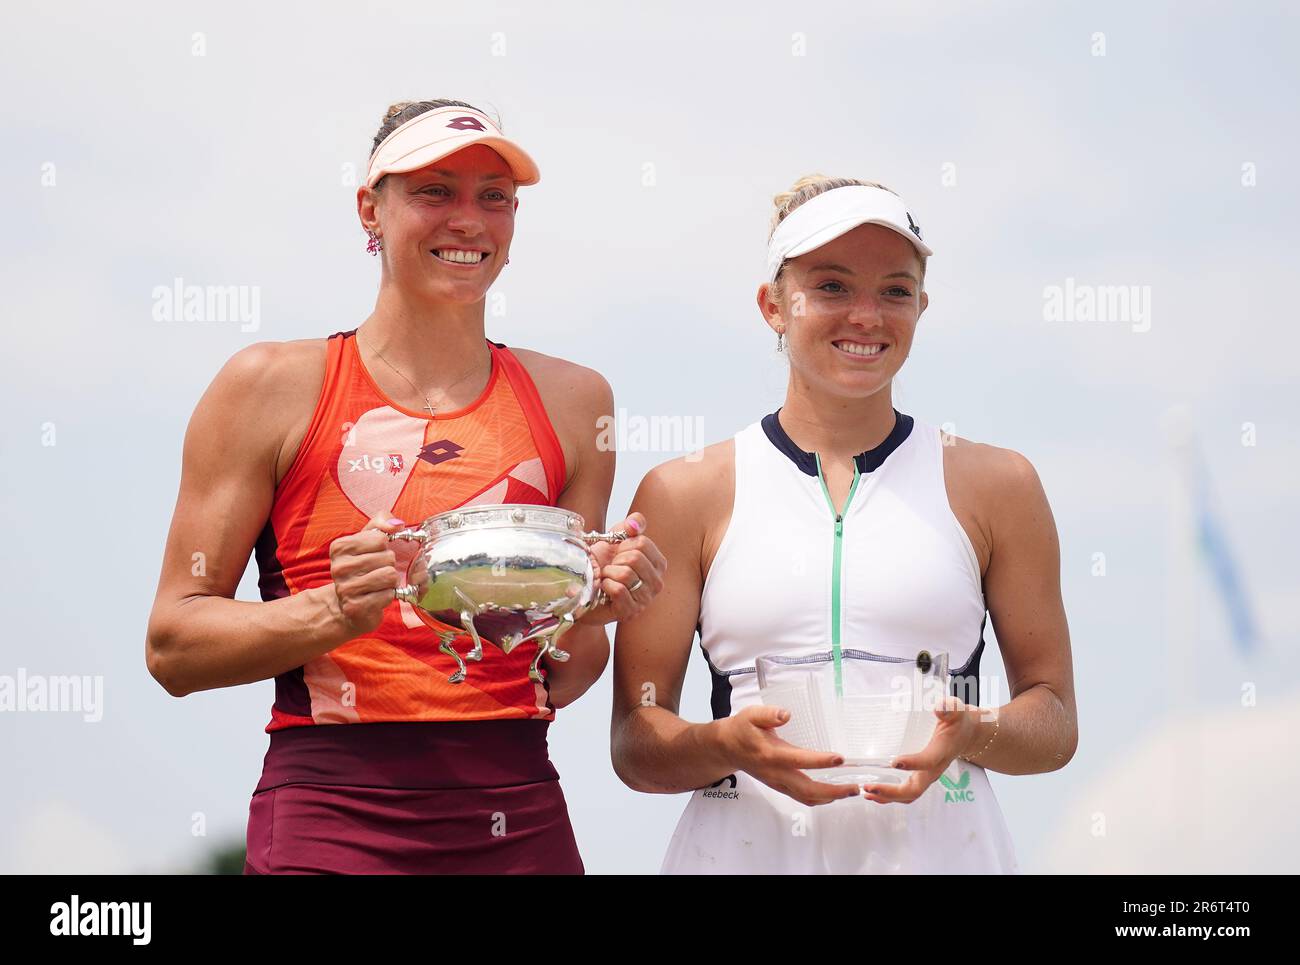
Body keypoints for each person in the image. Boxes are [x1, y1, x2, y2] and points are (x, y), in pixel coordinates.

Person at [146, 99, 666, 874]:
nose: (468, 219)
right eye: (434, 191)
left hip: (516, 813)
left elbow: (564, 665)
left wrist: (597, 602)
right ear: (370, 208)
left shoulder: (576, 400)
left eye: (493, 196)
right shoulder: (269, 386)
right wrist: (333, 609)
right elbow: (173, 644)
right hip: (331, 815)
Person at [610, 175, 1077, 874]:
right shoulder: (685, 492)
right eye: (831, 287)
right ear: (774, 304)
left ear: (922, 304)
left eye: (894, 290)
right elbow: (635, 742)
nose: (867, 315)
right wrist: (727, 745)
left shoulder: (999, 485)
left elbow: (1055, 719)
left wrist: (974, 731)